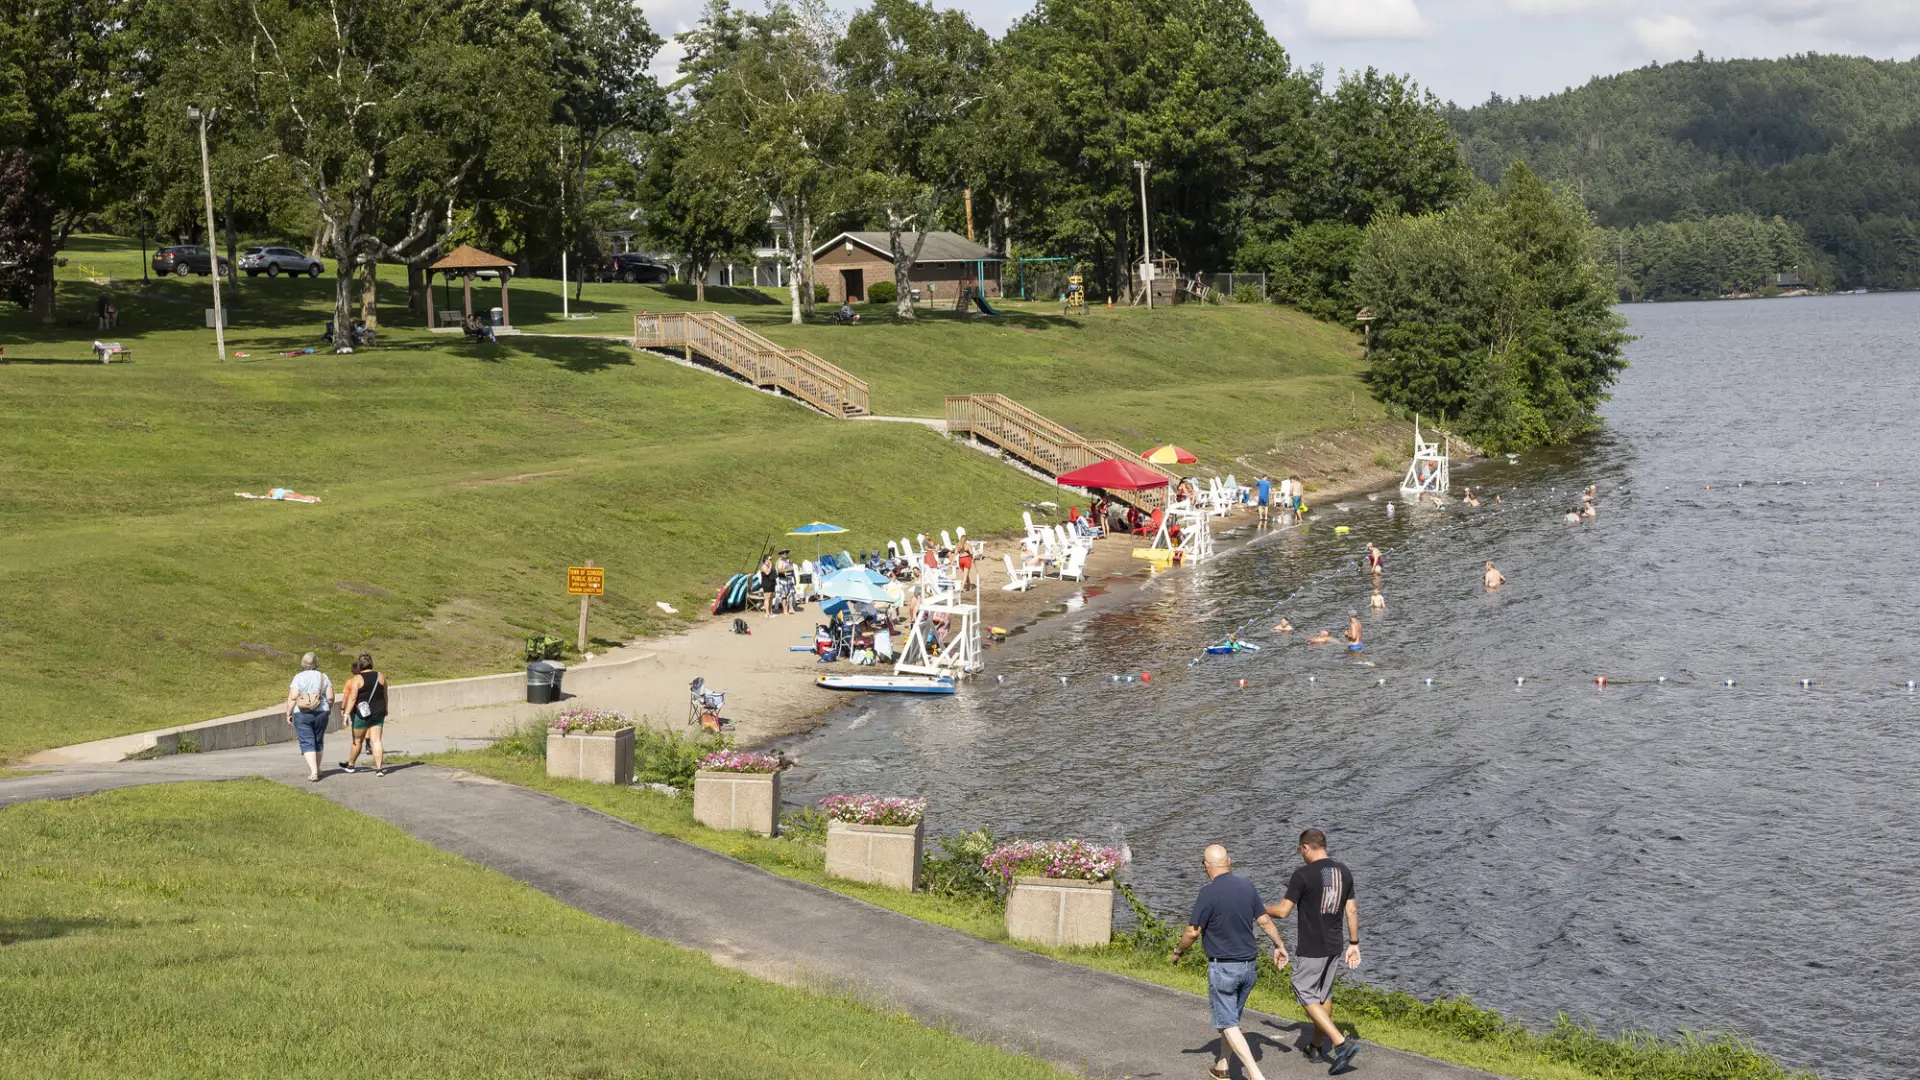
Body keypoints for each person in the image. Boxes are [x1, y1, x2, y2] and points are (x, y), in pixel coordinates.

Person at [1171, 844, 1288, 1080]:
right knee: (1231, 1020)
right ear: (1229, 861)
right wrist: (1279, 945)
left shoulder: (1208, 892)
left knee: (1228, 1023)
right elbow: (1265, 921)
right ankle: (1223, 1065)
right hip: (1249, 968)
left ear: (1206, 866)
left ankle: (1256, 1075)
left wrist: (1178, 952)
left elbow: (1193, 932)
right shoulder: (1246, 886)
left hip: (1224, 968)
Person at [1265, 828, 1363, 1074]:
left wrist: (1257, 906)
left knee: (1304, 991)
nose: (1301, 854)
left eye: (1300, 850)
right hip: (1334, 944)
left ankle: (1341, 1043)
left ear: (1306, 847)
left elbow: (1283, 911)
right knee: (1323, 994)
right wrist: (1354, 944)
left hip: (1311, 946)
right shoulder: (1343, 872)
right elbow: (1351, 910)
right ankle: (1317, 1046)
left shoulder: (1303, 874)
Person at [284, 653, 333, 782]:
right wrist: (329, 709)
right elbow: (330, 697)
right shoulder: (323, 677)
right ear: (316, 663)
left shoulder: (298, 678)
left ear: (303, 663)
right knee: (318, 740)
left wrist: (288, 713)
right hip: (321, 711)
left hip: (302, 712)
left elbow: (293, 697)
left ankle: (314, 772)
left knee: (307, 741)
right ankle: (317, 768)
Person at [337, 654, 389, 775]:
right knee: (376, 740)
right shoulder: (380, 676)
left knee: (358, 741)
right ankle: (379, 769)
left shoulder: (357, 679)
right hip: (378, 712)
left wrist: (346, 714)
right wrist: (386, 708)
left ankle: (351, 765)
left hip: (362, 714)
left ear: (360, 665)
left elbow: (353, 698)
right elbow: (385, 695)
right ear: (372, 663)